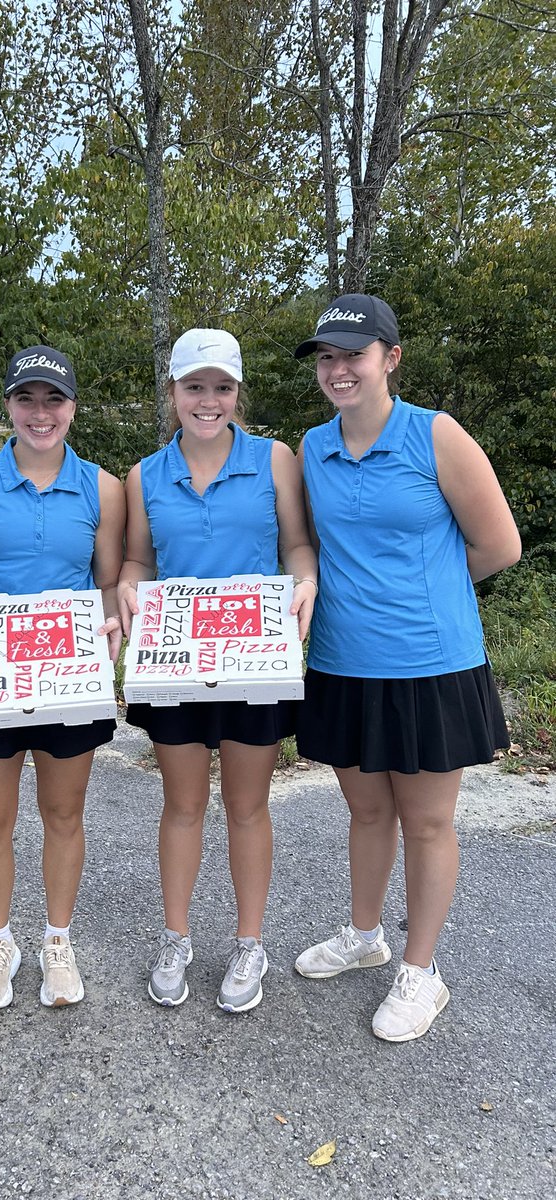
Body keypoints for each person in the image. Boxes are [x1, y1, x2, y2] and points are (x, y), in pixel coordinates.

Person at [291, 293, 522, 1041]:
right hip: (342, 663)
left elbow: (498, 547)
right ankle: (366, 937)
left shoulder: (437, 435)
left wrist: (425, 596)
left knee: (426, 823)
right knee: (365, 812)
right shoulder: (310, 449)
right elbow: (309, 551)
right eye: (327, 357)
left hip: (430, 665)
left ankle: (422, 973)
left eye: (353, 355)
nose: (338, 369)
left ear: (390, 358)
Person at [0, 345, 125, 1010]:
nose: (40, 413)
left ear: (72, 406)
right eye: (26, 399)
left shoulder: (104, 487)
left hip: (69, 682)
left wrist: (116, 626)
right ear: (7, 404)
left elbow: (111, 583)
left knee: (64, 815)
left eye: (53, 399)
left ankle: (57, 942)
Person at [118, 329, 318, 1012]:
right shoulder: (143, 475)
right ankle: (176, 937)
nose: (209, 401)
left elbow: (296, 543)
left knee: (247, 805)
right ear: (172, 392)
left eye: (222, 388)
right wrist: (127, 584)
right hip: (176, 660)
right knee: (181, 803)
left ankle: (248, 942)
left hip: (255, 657)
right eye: (194, 387)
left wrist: (306, 581)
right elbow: (139, 560)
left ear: (238, 393)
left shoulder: (275, 460)